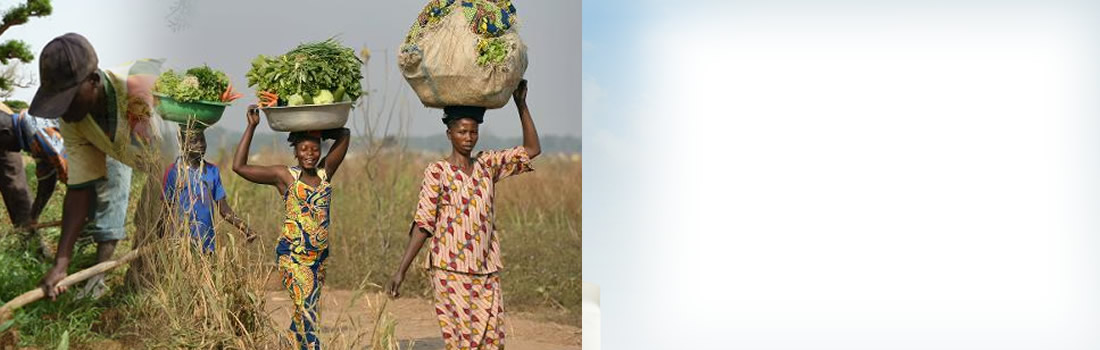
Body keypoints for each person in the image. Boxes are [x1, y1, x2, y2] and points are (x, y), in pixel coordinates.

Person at [387, 80, 540, 349]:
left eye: (473, 132)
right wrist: (401, 270)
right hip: (450, 270)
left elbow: (531, 150)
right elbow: (423, 224)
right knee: (463, 343)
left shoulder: (487, 165)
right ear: (449, 134)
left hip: (486, 269)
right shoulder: (438, 172)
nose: (468, 138)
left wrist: (521, 105)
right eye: (462, 132)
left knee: (491, 341)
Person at [30, 33, 176, 299]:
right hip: (154, 165)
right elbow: (79, 189)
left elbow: (175, 160)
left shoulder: (139, 89)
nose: (63, 110)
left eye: (69, 98)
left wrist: (167, 214)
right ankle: (137, 291)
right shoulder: (74, 119)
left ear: (93, 82)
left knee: (168, 228)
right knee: (146, 236)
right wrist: (61, 262)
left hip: (178, 162)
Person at [232, 105, 350, 350]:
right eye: (304, 148)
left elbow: (345, 134)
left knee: (305, 309)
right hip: (293, 258)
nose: (310, 153)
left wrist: (320, 128)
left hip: (318, 259)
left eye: (314, 148)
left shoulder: (325, 173)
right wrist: (252, 126)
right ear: (295, 151)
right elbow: (239, 167)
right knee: (307, 312)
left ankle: (289, 344)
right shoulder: (285, 176)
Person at [163, 128, 256, 253]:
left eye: (202, 140)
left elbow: (223, 209)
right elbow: (166, 210)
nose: (200, 145)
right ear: (183, 144)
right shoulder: (174, 172)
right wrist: (160, 238)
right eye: (194, 141)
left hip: (207, 244)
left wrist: (245, 228)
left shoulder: (212, 171)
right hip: (180, 244)